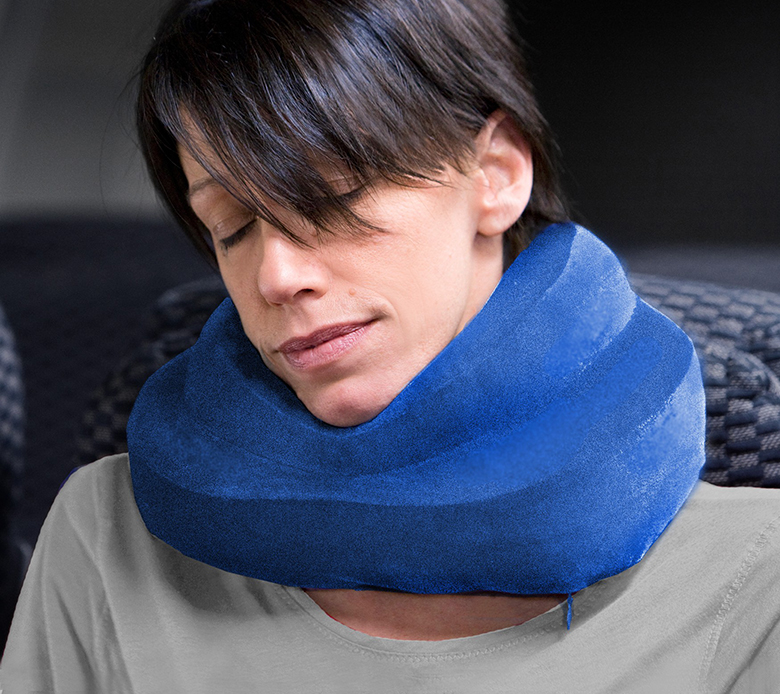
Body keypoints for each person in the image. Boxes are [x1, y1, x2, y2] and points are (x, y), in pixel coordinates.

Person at [2, 0, 780, 691]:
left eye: (329, 196)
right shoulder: (106, 535)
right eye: (232, 229)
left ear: (496, 173)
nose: (276, 276)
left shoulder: (756, 579)